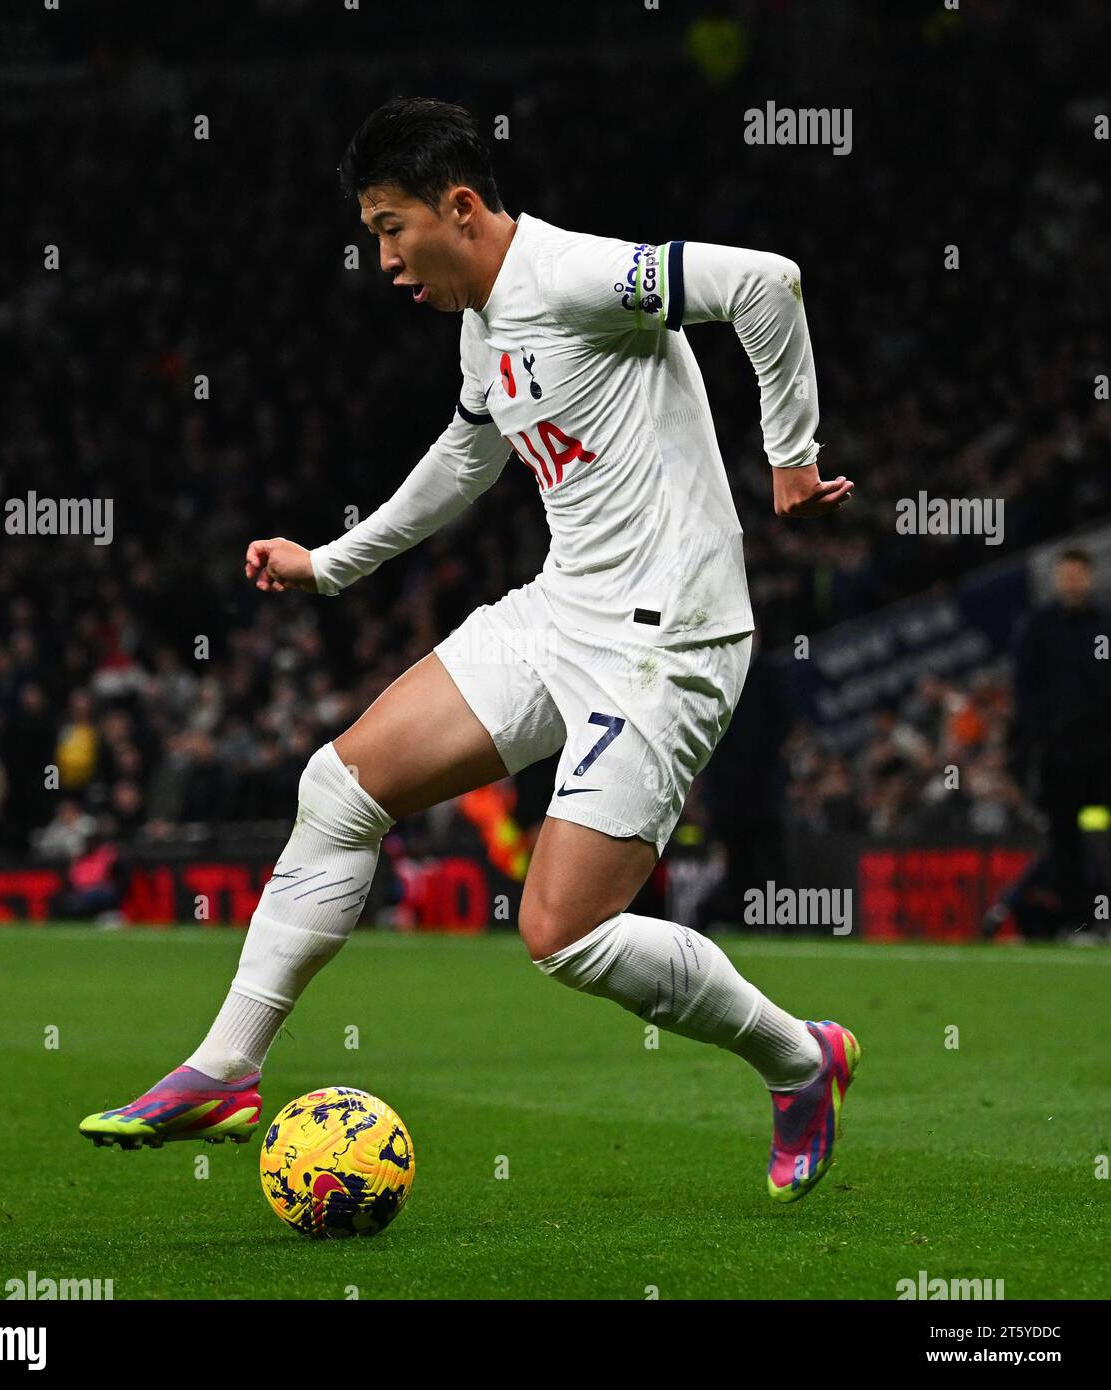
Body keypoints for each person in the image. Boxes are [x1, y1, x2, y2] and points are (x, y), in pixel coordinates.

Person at [80, 97, 859, 1203]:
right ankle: (225, 1069)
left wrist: (791, 453)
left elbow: (763, 283)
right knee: (339, 784)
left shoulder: (582, 275)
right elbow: (466, 452)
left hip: (668, 635)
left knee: (561, 931)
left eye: (391, 229)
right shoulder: (481, 322)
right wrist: (332, 563)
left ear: (459, 206)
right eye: (371, 236)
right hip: (563, 608)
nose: (384, 259)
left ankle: (799, 1057)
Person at [985, 548, 1111, 939]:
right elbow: (1024, 693)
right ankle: (1079, 924)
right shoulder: (1038, 627)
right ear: (1057, 579)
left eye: (1078, 575)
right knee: (1064, 841)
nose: (1072, 582)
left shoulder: (1105, 624)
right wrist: (1024, 751)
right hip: (1059, 755)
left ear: (1089, 578)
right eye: (1066, 575)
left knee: (1100, 835)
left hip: (1105, 752)